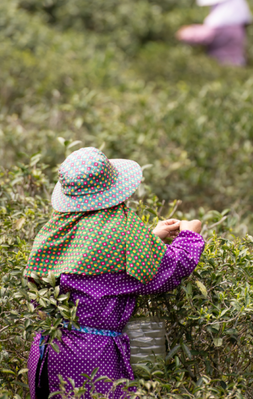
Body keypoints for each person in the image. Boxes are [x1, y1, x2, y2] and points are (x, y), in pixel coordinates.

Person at [24, 147, 205, 399]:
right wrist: (189, 235)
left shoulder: (54, 231)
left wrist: (150, 238)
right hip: (91, 356)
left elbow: (86, 259)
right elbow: (169, 270)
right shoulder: (122, 232)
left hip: (47, 350)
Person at [176, 0, 252, 66]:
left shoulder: (223, 23)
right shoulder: (236, 24)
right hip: (235, 65)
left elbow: (204, 35)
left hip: (222, 66)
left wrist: (184, 32)